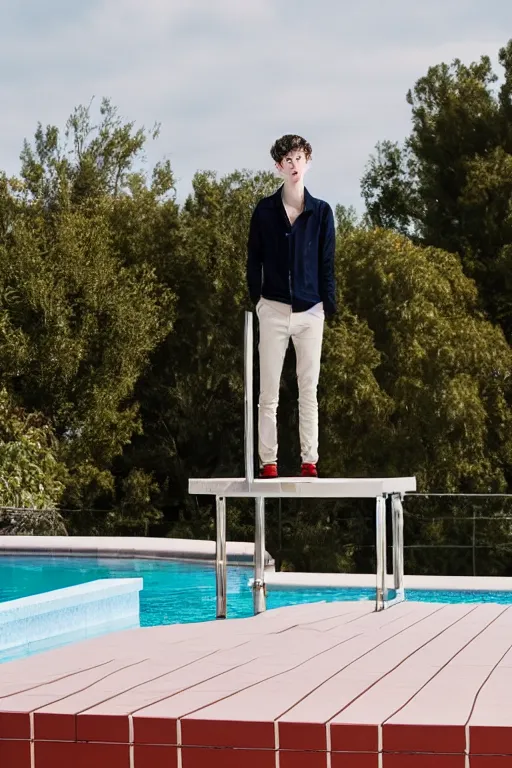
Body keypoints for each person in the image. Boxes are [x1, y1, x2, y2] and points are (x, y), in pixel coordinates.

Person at [247, 134, 336, 479]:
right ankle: (268, 461)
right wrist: (258, 297)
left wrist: (327, 305)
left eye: (299, 158)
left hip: (311, 311)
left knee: (307, 389)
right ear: (278, 167)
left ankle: (309, 461)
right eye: (287, 160)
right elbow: (254, 258)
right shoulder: (265, 211)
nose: (293, 165)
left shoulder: (322, 212)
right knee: (268, 390)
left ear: (308, 161)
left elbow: (327, 263)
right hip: (272, 308)